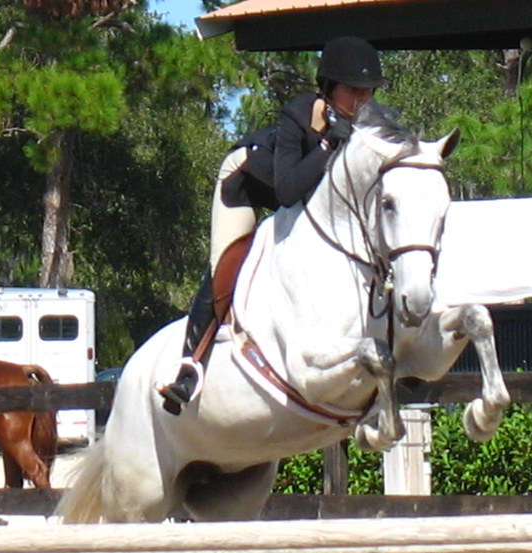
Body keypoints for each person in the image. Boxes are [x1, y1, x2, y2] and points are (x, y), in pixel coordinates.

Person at [158, 36, 384, 415]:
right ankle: (189, 366)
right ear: (329, 88)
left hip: (299, 194)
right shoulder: (298, 114)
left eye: (367, 91)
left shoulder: (365, 126)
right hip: (248, 182)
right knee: (228, 262)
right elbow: (287, 190)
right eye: (352, 90)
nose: (361, 99)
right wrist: (328, 146)